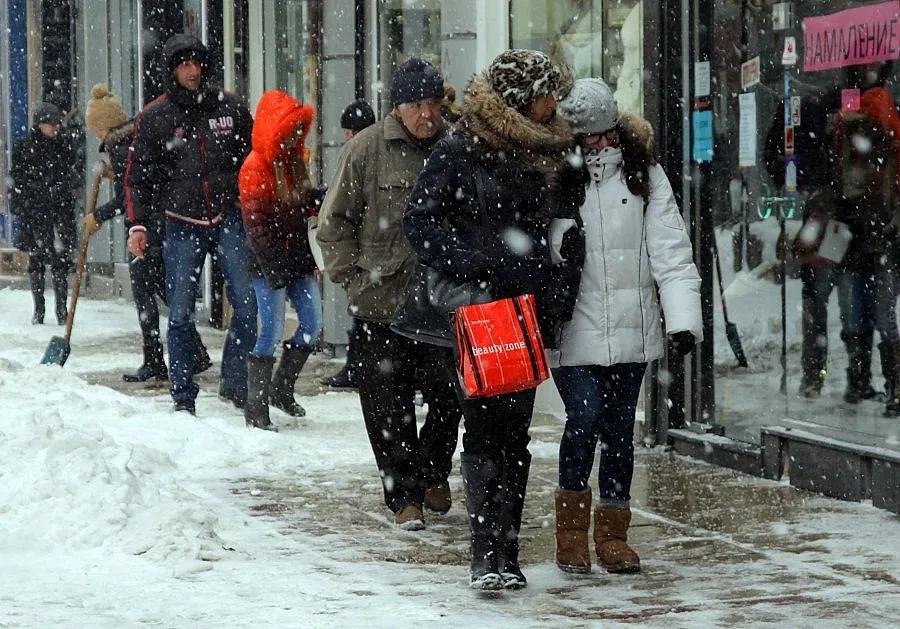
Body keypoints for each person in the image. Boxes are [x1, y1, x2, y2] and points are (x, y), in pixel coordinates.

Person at [403, 49, 576, 590]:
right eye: (546, 95)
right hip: (480, 311)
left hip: (526, 309)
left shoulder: (553, 150)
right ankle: (485, 552)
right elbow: (420, 223)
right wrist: (475, 262)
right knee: (483, 428)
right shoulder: (460, 148)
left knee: (516, 435)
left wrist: (554, 287)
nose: (554, 105)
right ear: (520, 100)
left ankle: (509, 551)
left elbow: (563, 232)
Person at [551, 78, 702, 575]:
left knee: (618, 431)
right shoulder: (554, 177)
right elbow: (533, 250)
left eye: (607, 132)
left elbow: (671, 251)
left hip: (631, 328)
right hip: (573, 328)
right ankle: (570, 533)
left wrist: (682, 320)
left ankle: (613, 534)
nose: (601, 144)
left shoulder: (645, 174)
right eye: (590, 136)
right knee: (584, 418)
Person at [317, 58, 463, 531]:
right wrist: (350, 277)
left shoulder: (455, 145)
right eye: (417, 105)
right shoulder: (366, 148)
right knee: (386, 404)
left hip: (441, 303)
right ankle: (404, 497)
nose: (427, 114)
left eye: (433, 104)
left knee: (451, 395)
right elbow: (335, 220)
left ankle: (433, 470)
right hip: (382, 302)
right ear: (397, 107)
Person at [126, 33, 256, 416]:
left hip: (228, 216)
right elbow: (137, 177)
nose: (193, 71)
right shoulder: (154, 117)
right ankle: (183, 396)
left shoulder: (230, 107)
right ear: (172, 71)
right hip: (181, 224)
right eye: (184, 65)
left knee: (247, 306)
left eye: (197, 63)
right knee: (181, 312)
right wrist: (138, 225)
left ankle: (235, 382)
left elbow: (253, 158)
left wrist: (250, 196)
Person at [82, 83, 211, 383]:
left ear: (103, 127)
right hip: (160, 222)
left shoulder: (120, 148)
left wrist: (97, 217)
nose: (96, 136)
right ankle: (195, 352)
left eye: (96, 129)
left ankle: (156, 359)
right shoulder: (134, 137)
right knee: (164, 288)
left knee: (145, 291)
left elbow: (127, 197)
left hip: (147, 227)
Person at [239, 90, 321, 432]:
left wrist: (316, 201)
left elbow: (301, 207)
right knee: (270, 333)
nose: (295, 137)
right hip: (269, 263)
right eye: (290, 130)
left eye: (298, 130)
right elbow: (255, 226)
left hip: (295, 258)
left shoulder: (293, 161)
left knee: (312, 324)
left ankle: (280, 389)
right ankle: (256, 408)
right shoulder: (255, 167)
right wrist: (274, 269)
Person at [831, 78, 900, 417]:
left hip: (867, 244)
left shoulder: (874, 156)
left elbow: (845, 199)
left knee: (867, 315)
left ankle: (870, 382)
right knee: (870, 316)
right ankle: (882, 385)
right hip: (868, 243)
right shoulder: (877, 156)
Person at [319, 98, 376, 390]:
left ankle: (356, 367)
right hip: (369, 249)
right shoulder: (372, 151)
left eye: (349, 132)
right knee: (363, 315)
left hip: (366, 250)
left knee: (362, 314)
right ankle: (358, 367)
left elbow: (347, 201)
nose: (346, 138)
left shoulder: (360, 154)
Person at [10, 102, 78, 326]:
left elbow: (70, 174)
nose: (56, 128)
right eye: (51, 124)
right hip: (35, 211)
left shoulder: (63, 146)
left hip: (58, 210)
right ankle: (39, 309)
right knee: (37, 258)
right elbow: (17, 179)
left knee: (60, 260)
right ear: (39, 124)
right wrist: (21, 206)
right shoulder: (24, 147)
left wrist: (62, 190)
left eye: (57, 124)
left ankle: (61, 309)